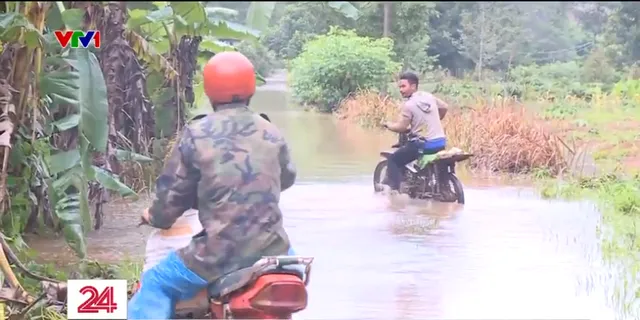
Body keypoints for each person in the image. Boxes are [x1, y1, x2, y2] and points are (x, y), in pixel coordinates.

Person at [128, 51, 297, 319]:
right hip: (275, 249)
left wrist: (153, 215)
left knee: (156, 284)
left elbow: (171, 200)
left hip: (218, 254)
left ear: (209, 91)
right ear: (251, 88)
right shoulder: (271, 131)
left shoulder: (197, 133)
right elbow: (287, 178)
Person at [381, 71, 449, 194]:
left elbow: (401, 127)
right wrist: (436, 119)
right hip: (440, 142)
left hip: (423, 145)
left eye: (403, 86)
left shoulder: (409, 105)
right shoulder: (428, 96)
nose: (401, 90)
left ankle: (395, 192)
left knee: (394, 160)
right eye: (399, 87)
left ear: (413, 86)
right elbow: (444, 107)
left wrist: (388, 125)